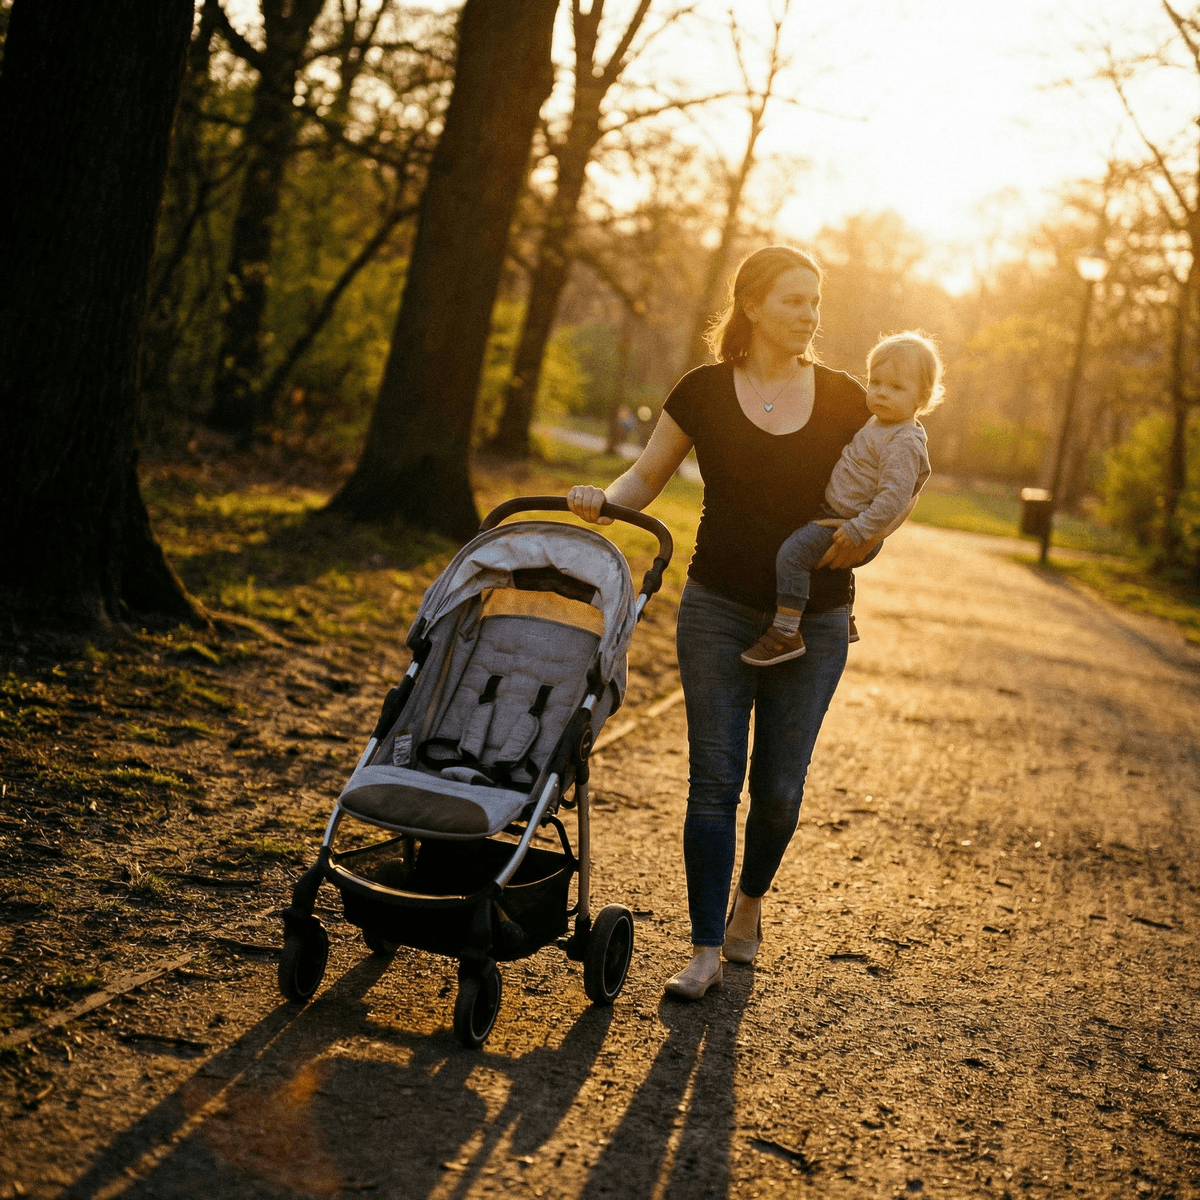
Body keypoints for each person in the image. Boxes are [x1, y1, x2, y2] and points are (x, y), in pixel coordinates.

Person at [566, 245, 915, 1001]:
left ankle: (748, 904)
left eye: (817, 303)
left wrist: (867, 541)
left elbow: (895, 479)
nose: (811, 315)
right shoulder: (703, 390)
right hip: (717, 607)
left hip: (816, 619)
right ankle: (701, 949)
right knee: (714, 782)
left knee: (780, 788)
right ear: (753, 305)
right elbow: (647, 475)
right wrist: (605, 500)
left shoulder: (847, 397)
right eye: (796, 300)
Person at [740, 331, 943, 667]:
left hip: (854, 525)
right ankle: (845, 612)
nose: (881, 392)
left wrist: (860, 530)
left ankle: (786, 631)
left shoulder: (903, 440)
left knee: (792, 556)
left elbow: (895, 497)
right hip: (844, 514)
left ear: (921, 397)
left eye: (896, 387)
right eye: (875, 382)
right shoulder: (881, 424)